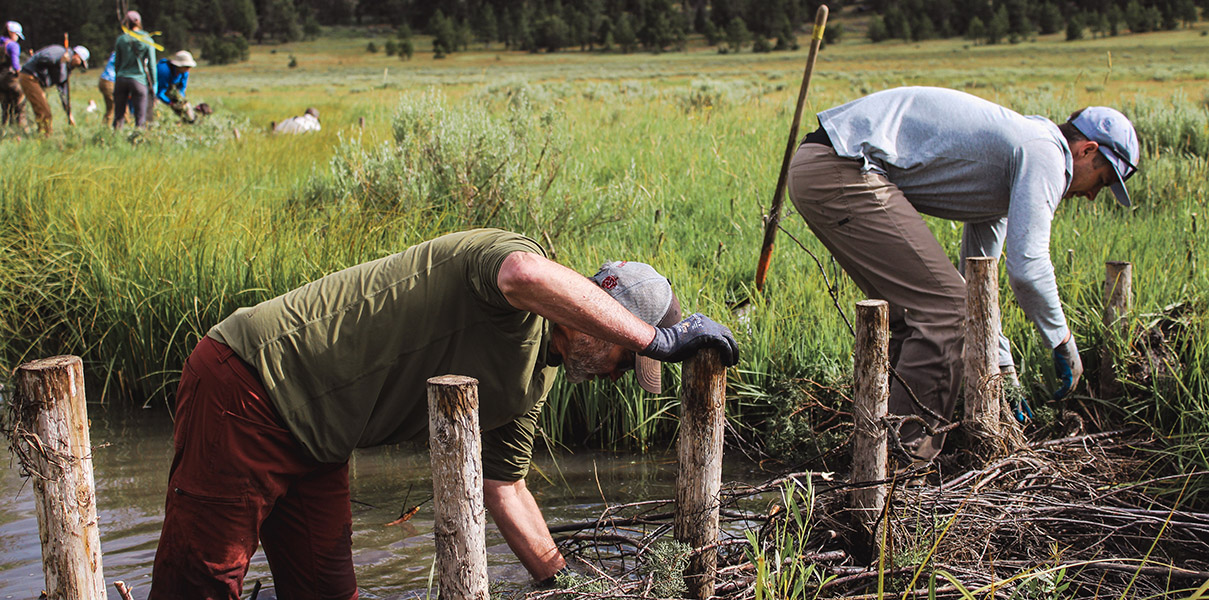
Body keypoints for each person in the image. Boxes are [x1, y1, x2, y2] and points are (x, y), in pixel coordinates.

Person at [148, 228, 739, 599]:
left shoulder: (533, 382)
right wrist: (658, 341)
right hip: (253, 383)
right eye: (625, 357)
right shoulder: (513, 268)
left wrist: (569, 587)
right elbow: (522, 276)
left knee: (327, 591)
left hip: (321, 440)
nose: (617, 378)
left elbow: (504, 489)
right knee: (201, 585)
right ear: (598, 314)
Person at [786, 86, 1139, 460]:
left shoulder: (1014, 161)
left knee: (916, 317)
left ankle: (873, 458)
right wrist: (1062, 341)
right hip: (843, 166)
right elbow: (1028, 269)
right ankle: (906, 467)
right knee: (945, 315)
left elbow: (978, 290)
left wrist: (1005, 371)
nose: (1091, 196)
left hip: (823, 165)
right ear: (1088, 151)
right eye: (1101, 182)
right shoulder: (1045, 152)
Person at [18, 43, 89, 136]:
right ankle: (45, 137)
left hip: (35, 81)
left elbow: (64, 92)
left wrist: (69, 113)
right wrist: (61, 60)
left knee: (44, 111)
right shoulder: (59, 51)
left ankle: (43, 134)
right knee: (44, 112)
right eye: (80, 62)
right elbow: (42, 58)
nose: (78, 66)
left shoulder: (66, 68)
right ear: (76, 56)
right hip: (30, 77)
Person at [112, 11, 156, 129]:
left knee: (119, 115)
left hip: (122, 78)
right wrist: (153, 83)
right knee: (140, 117)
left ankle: (115, 139)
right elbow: (151, 64)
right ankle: (138, 140)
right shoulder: (147, 39)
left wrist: (118, 76)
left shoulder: (121, 39)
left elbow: (117, 62)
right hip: (139, 80)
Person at [155, 49, 195, 122]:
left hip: (170, 88)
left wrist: (180, 101)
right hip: (155, 88)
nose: (189, 69)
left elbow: (182, 88)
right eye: (186, 67)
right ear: (179, 65)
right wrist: (170, 103)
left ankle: (189, 121)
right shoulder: (164, 70)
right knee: (153, 107)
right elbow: (159, 92)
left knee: (186, 108)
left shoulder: (184, 72)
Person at [1, 21, 24, 127]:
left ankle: (3, 128)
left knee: (5, 106)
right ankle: (19, 127)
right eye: (17, 35)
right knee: (20, 101)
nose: (17, 38)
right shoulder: (13, 45)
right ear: (11, 33)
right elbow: (15, 65)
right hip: (10, 79)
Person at [97, 52, 116, 124]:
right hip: (110, 81)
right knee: (113, 108)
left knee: (110, 108)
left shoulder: (117, 51)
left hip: (104, 80)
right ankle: (106, 129)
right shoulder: (124, 53)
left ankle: (104, 127)